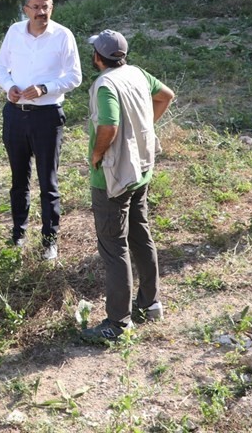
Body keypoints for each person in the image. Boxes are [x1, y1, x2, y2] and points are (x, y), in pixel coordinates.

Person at [82, 30, 174, 343]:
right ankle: (151, 303)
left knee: (114, 247)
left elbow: (109, 125)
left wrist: (97, 152)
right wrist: (146, 128)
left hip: (113, 175)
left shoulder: (105, 85)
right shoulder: (137, 73)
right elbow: (166, 95)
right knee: (140, 234)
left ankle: (118, 323)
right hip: (142, 170)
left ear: (97, 57)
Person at [0, 0, 82, 260]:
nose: (41, 12)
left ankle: (49, 239)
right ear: (26, 9)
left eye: (46, 7)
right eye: (36, 7)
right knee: (19, 179)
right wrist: (9, 87)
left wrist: (46, 88)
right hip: (15, 113)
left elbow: (75, 76)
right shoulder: (14, 33)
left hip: (47, 115)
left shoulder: (63, 35)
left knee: (48, 181)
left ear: (51, 7)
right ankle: (18, 234)